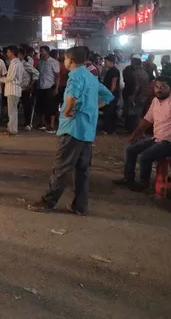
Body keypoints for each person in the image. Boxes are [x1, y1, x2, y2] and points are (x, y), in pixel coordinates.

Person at [28, 47, 114, 215]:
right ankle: (80, 206)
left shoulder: (75, 76)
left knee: (62, 167)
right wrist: (93, 107)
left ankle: (48, 201)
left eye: (65, 59)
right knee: (82, 171)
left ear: (71, 61)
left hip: (73, 128)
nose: (63, 62)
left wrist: (67, 111)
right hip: (88, 129)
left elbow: (72, 98)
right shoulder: (90, 76)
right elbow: (108, 96)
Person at [115, 76, 171, 192]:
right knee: (130, 149)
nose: (159, 90)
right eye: (157, 87)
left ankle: (144, 184)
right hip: (158, 139)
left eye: (163, 87)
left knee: (145, 156)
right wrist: (135, 134)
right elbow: (148, 120)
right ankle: (128, 178)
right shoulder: (155, 101)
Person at [36, 45, 60, 133]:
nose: (41, 53)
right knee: (41, 106)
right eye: (40, 51)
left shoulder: (54, 62)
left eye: (42, 51)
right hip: (40, 86)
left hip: (50, 86)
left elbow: (57, 76)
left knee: (52, 106)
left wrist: (56, 88)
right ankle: (42, 123)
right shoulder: (40, 62)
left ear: (47, 52)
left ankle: (52, 125)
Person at [2, 46, 24, 136]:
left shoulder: (15, 63)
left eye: (8, 52)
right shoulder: (16, 63)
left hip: (13, 89)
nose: (7, 54)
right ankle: (10, 128)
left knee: (12, 111)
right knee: (12, 111)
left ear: (12, 52)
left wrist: (1, 79)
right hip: (14, 89)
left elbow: (10, 77)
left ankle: (12, 130)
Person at [19, 47, 39, 130]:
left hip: (26, 87)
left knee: (27, 106)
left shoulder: (26, 63)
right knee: (17, 105)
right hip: (18, 87)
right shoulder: (16, 63)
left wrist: (31, 84)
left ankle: (28, 123)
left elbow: (36, 73)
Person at [101, 54, 121, 134]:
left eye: (106, 61)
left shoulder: (114, 71)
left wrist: (109, 95)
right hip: (111, 94)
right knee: (110, 111)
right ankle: (110, 129)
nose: (104, 63)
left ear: (111, 62)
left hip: (111, 95)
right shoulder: (111, 70)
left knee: (109, 112)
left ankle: (108, 129)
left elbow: (113, 84)